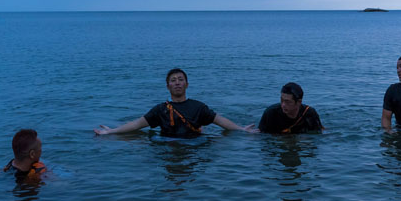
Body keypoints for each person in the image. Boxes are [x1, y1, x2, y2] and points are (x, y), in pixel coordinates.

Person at [94, 68, 256, 137]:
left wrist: (242, 130)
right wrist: (112, 132)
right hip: (167, 145)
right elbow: (137, 124)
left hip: (194, 146)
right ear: (168, 86)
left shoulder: (199, 107)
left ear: (187, 84)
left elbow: (221, 121)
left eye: (180, 80)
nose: (177, 83)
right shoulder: (160, 109)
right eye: (173, 80)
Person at [257, 82, 324, 134]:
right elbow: (262, 136)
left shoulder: (309, 113)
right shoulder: (271, 113)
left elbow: (318, 134)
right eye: (282, 100)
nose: (283, 105)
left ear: (298, 102)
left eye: (287, 102)